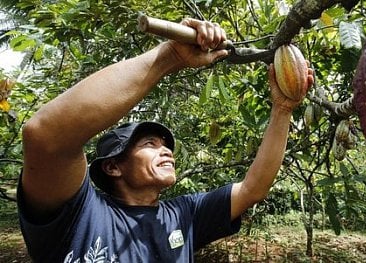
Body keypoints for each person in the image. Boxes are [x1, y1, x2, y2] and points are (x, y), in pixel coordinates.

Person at [18, 18, 313, 262]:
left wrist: (283, 109)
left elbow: (253, 188)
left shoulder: (184, 215)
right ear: (113, 167)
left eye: (165, 145)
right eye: (149, 144)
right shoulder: (80, 216)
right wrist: (170, 57)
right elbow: (45, 136)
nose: (167, 152)